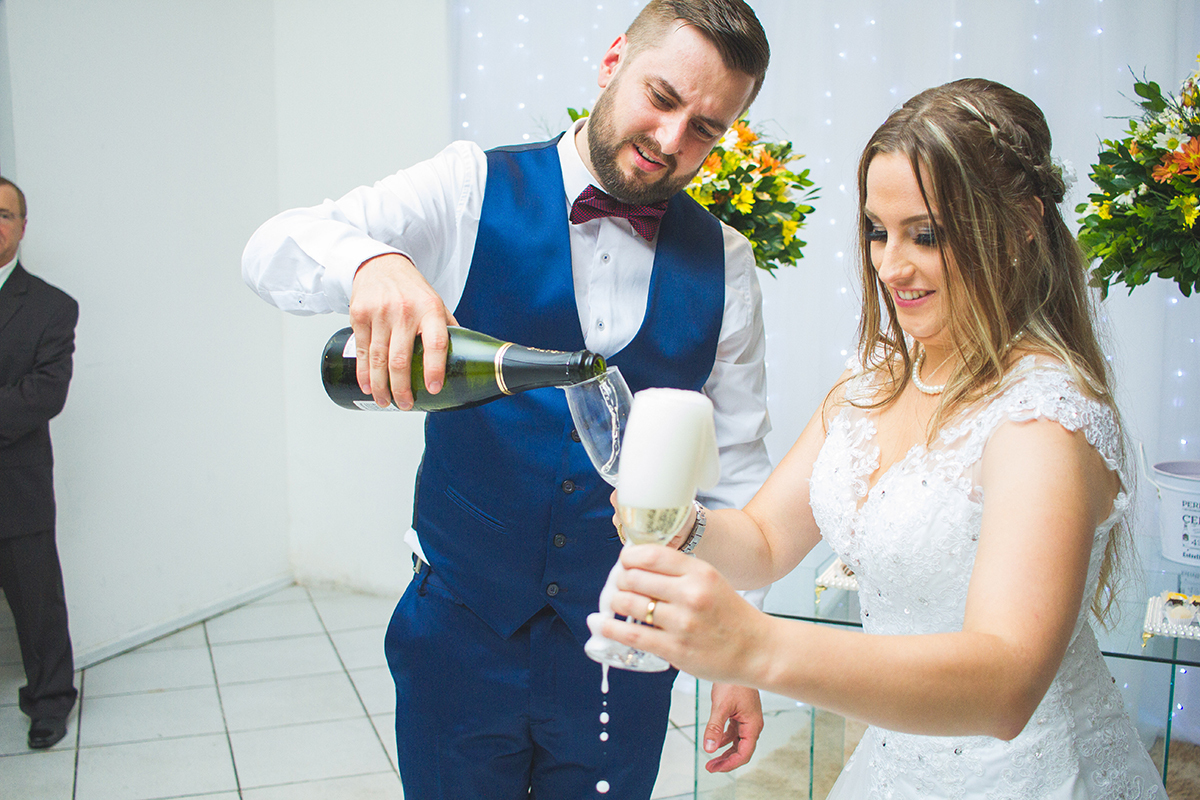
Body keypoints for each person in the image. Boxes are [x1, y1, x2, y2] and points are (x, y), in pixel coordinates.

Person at [242, 2, 773, 796]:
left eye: (705, 129)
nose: (671, 143)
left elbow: (738, 466)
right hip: (460, 633)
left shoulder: (727, 264)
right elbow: (271, 248)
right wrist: (371, 262)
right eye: (662, 98)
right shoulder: (469, 185)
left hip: (627, 646)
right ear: (613, 60)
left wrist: (743, 649)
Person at [596, 78, 1170, 798]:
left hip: (1028, 775)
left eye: (926, 234)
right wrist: (685, 526)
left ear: (1023, 223)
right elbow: (767, 543)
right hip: (897, 760)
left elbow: (1004, 685)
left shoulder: (1043, 419)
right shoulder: (872, 386)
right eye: (878, 230)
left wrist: (759, 646)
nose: (891, 265)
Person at [0, 176, 80, 751]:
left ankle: (50, 701)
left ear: (23, 228)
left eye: (4, 214)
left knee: (36, 600)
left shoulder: (52, 307)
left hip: (15, 486)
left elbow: (44, 395)